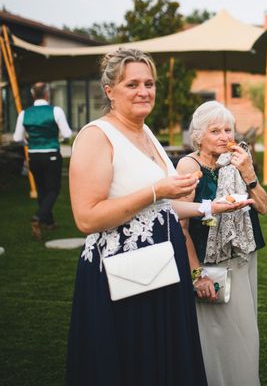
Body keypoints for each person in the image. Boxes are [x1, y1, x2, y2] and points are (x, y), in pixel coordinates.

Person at [66, 49, 253, 386]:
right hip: (121, 271)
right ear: (110, 90)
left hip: (163, 265)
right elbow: (86, 217)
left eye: (149, 83)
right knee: (132, 361)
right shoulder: (97, 136)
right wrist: (156, 189)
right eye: (132, 84)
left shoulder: (144, 131)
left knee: (160, 362)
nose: (144, 91)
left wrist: (209, 208)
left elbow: (159, 209)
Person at [176, 100, 267, 386]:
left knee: (245, 332)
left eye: (228, 129)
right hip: (208, 263)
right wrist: (196, 274)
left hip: (242, 258)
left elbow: (263, 207)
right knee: (216, 336)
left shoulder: (237, 160)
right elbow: (179, 224)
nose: (226, 137)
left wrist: (249, 173)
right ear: (199, 136)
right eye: (215, 130)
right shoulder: (189, 165)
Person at [13, 81, 72, 240]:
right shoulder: (56, 111)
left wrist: (28, 142)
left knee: (42, 189)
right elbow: (66, 134)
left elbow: (17, 138)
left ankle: (48, 222)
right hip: (51, 154)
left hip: (33, 155)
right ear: (47, 94)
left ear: (33, 95)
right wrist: (57, 137)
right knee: (53, 189)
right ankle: (39, 217)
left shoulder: (24, 113)